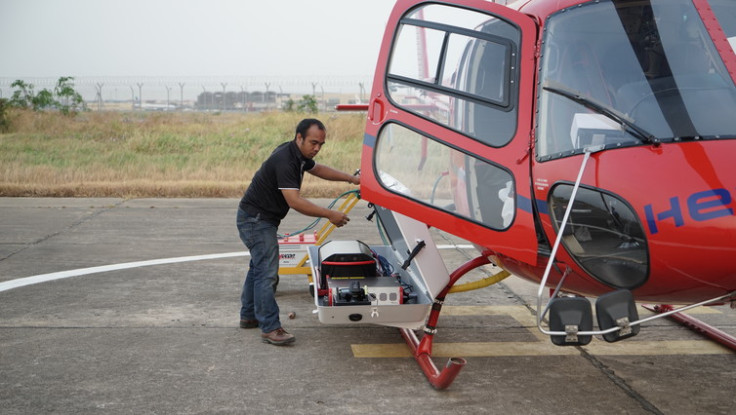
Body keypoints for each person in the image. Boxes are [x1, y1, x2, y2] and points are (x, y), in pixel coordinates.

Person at [236, 118, 360, 345]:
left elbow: (319, 169)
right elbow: (294, 201)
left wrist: (351, 178)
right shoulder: (285, 160)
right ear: (299, 137)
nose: (317, 148)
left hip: (258, 218)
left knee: (258, 268)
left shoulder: (299, 155)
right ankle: (270, 328)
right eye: (313, 143)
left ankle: (249, 316)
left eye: (321, 144)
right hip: (256, 220)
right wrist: (329, 214)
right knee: (267, 272)